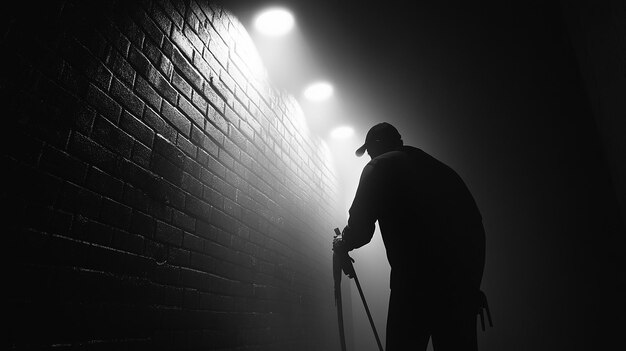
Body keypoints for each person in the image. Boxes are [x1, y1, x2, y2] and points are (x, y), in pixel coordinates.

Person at [333, 122, 487, 351]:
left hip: (414, 288)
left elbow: (361, 228)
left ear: (378, 144)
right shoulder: (443, 171)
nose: (369, 157)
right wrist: (471, 285)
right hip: (460, 291)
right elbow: (476, 228)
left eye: (369, 151)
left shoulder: (380, 166)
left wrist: (343, 243)